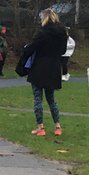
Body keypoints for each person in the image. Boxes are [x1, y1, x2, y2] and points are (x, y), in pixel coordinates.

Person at [23, 8, 66, 137]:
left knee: (38, 98)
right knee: (51, 98)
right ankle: (57, 126)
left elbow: (32, 47)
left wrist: (25, 51)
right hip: (54, 67)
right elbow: (63, 51)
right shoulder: (62, 33)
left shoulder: (42, 32)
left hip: (39, 67)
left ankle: (40, 127)